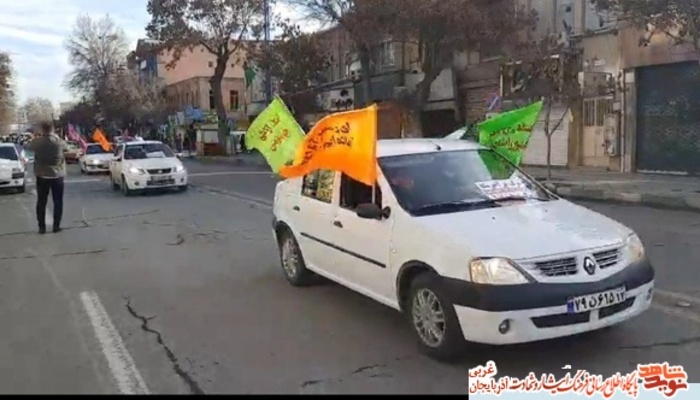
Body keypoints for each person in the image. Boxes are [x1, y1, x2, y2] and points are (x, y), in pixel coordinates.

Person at [26, 121, 66, 234]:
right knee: (58, 202)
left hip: (42, 175)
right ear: (52, 129)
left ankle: (41, 227)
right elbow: (66, 147)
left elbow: (28, 146)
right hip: (57, 175)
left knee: (41, 202)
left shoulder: (37, 142)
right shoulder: (59, 141)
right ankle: (56, 226)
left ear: (42, 129)